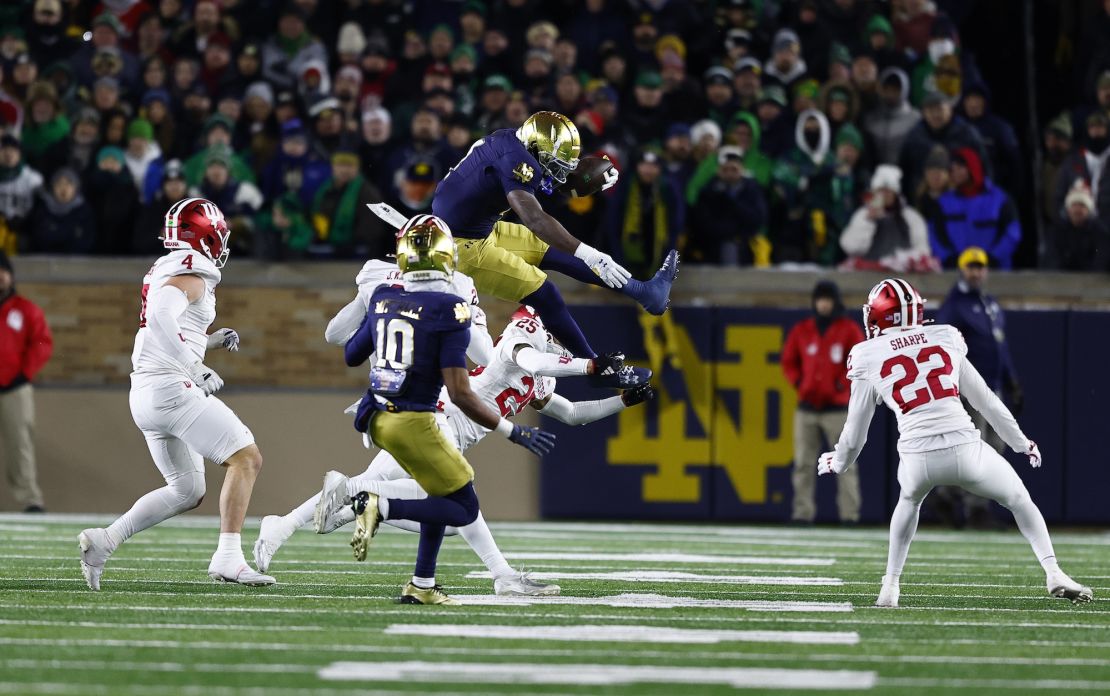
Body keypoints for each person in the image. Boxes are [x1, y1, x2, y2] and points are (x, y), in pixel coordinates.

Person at [322, 216, 559, 605]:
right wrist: (512, 431)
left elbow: (350, 355)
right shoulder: (452, 306)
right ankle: (372, 499)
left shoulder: (382, 295)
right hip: (417, 418)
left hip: (376, 416)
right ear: (447, 256)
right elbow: (461, 393)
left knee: (438, 493)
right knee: (460, 507)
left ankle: (423, 584)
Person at [818, 277, 1092, 607]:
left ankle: (890, 586)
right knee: (1019, 498)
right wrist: (1021, 443)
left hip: (918, 457)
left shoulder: (867, 354)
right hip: (967, 449)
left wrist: (839, 460)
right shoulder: (944, 337)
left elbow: (856, 432)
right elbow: (986, 402)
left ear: (879, 316)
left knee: (909, 501)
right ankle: (1054, 572)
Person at [78, 198, 274, 590]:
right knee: (246, 459)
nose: (221, 244)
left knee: (188, 489)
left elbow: (168, 325)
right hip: (170, 387)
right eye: (218, 236)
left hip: (146, 392)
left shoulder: (170, 268)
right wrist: (194, 364)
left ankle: (105, 541)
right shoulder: (194, 272)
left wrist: (208, 342)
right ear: (204, 236)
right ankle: (229, 558)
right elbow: (159, 317)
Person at [429, 110, 674, 373]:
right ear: (535, 147)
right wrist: (590, 253)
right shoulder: (516, 161)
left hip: (478, 229)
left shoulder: (514, 142)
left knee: (562, 253)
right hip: (460, 247)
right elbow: (534, 218)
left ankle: (645, 292)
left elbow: (543, 181)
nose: (557, 170)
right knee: (547, 294)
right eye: (555, 162)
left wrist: (587, 178)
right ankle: (596, 367)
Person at [782, 280, 864, 525]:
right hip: (807, 408)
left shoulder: (848, 329)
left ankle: (849, 515)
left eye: (827, 299)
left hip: (836, 409)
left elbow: (859, 362)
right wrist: (799, 383)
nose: (823, 304)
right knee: (803, 464)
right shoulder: (803, 329)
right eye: (820, 299)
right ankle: (802, 513)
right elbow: (788, 361)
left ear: (835, 301)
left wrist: (841, 384)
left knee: (845, 464)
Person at [0, 251, 52, 512]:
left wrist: (23, 374)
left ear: (10, 276)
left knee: (21, 444)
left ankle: (31, 500)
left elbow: (42, 344)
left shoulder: (25, 309)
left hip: (14, 390)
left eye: (2, 271)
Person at [929, 147, 1021, 269]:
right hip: (955, 272)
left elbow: (1012, 232)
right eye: (952, 169)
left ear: (972, 168)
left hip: (995, 272)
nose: (954, 173)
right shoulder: (944, 202)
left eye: (959, 168)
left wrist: (993, 258)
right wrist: (949, 258)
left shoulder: (999, 199)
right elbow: (935, 234)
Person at [840, 164, 935, 272]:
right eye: (880, 191)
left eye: (888, 191)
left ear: (895, 194)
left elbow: (922, 249)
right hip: (868, 275)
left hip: (903, 275)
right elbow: (851, 248)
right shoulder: (863, 215)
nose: (884, 195)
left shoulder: (911, 217)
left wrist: (905, 261)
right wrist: (868, 221)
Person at [687, 145, 768, 266]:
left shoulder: (752, 189)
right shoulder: (708, 191)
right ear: (719, 170)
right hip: (715, 250)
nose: (729, 174)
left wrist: (732, 202)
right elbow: (702, 223)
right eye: (725, 169)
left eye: (734, 169)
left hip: (746, 249)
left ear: (742, 169)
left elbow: (758, 218)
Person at [29, 167, 96, 254]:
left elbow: (87, 240)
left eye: (69, 184)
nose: (64, 188)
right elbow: (39, 238)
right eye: (59, 184)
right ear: (53, 187)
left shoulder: (84, 211)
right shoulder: (43, 209)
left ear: (76, 188)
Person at [1045, 182, 1110, 271]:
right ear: (1068, 209)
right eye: (1074, 205)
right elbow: (1051, 260)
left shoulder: (1100, 233)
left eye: (1082, 205)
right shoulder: (1057, 231)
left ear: (1089, 210)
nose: (1077, 210)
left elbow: (1101, 262)